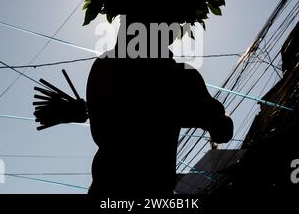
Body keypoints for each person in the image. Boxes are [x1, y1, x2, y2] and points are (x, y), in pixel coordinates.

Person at [85, 16, 233, 196]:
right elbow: (102, 133)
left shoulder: (182, 76)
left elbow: (222, 130)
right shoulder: (109, 65)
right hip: (112, 186)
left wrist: (211, 116)